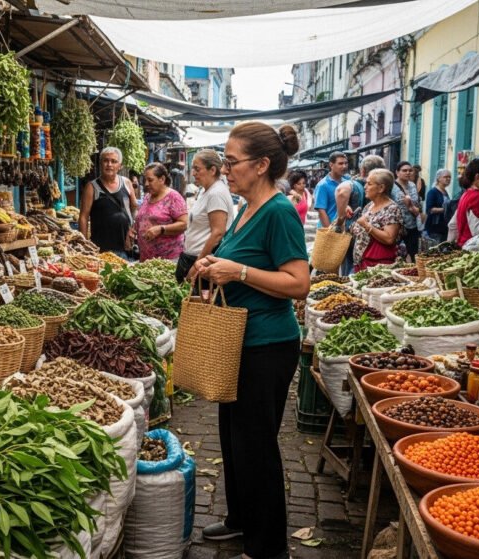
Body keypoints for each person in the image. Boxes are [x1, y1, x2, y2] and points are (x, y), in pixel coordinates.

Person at [194, 122, 309, 559]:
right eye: (224, 161)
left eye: (231, 161)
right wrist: (214, 268)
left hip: (267, 346)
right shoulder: (245, 208)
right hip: (237, 342)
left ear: (261, 165)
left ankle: (267, 547)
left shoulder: (278, 211)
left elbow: (299, 283)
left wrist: (237, 272)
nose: (226, 170)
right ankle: (240, 518)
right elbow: (242, 260)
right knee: (232, 437)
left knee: (256, 445)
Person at [177, 149, 235, 282]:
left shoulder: (216, 194)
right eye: (193, 169)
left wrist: (197, 266)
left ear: (212, 170)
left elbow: (218, 233)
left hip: (201, 261)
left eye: (197, 169)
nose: (193, 173)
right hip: (192, 257)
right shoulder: (206, 190)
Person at [79, 147, 139, 257]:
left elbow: (134, 208)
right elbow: (83, 216)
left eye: (114, 161)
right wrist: (84, 244)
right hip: (100, 248)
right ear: (100, 163)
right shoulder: (92, 187)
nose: (109, 164)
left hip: (125, 247)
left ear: (120, 166)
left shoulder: (126, 182)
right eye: (105, 160)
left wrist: (132, 229)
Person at [335, 155, 385, 275]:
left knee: (351, 269)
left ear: (362, 170)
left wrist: (340, 217)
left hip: (353, 235)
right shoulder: (385, 187)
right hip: (377, 237)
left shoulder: (354, 184)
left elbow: (341, 191)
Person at [351, 169, 404, 271]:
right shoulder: (369, 206)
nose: (365, 187)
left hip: (379, 265)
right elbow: (359, 231)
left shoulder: (392, 209)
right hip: (362, 262)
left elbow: (389, 238)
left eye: (369, 184)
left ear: (381, 188)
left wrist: (366, 225)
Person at [133, 162, 188, 262]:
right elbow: (142, 219)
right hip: (146, 260)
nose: (146, 184)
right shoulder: (147, 197)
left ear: (162, 179)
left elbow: (184, 224)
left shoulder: (173, 197)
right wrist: (133, 230)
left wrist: (161, 229)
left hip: (168, 260)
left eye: (150, 180)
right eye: (145, 180)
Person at [391, 161, 422, 262]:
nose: (408, 173)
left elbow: (417, 206)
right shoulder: (391, 187)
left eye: (410, 170)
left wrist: (410, 205)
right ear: (397, 172)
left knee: (414, 254)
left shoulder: (412, 185)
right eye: (404, 170)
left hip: (412, 225)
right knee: (395, 254)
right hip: (398, 226)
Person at [313, 152, 349, 229]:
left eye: (346, 163)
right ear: (331, 165)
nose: (344, 166)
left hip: (344, 230)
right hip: (330, 229)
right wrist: (330, 232)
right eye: (340, 163)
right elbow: (321, 211)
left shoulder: (347, 181)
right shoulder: (323, 185)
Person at [424, 169, 452, 243]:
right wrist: (445, 209)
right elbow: (430, 209)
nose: (448, 179)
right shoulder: (433, 192)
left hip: (444, 227)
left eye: (449, 177)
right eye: (445, 177)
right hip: (435, 228)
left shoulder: (445, 191)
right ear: (438, 178)